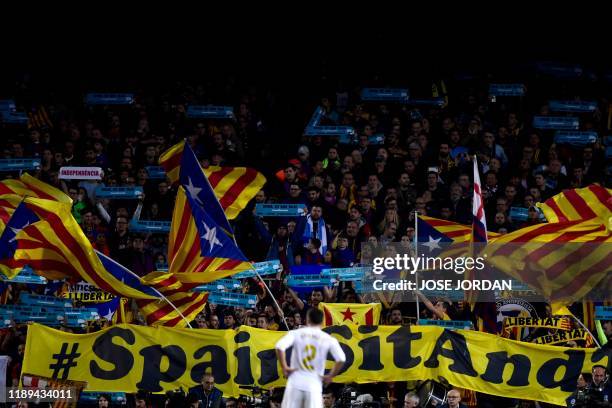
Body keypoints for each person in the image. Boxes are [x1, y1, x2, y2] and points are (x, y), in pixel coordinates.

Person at [275, 308, 346, 408]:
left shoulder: (296, 333)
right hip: (314, 386)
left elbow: (279, 346)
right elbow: (341, 359)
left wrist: (285, 367)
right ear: (322, 322)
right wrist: (330, 375)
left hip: (295, 384)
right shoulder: (327, 338)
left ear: (307, 320)